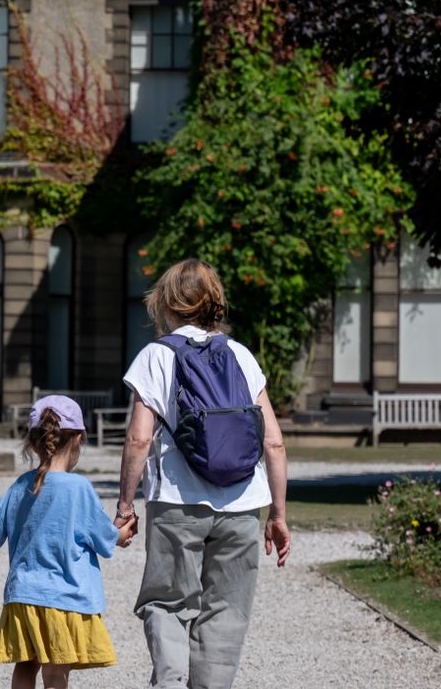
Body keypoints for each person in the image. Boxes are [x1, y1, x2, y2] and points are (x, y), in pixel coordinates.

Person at [113, 258, 290, 689]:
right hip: (244, 504)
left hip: (177, 499)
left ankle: (171, 683)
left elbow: (138, 439)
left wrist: (124, 505)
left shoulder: (157, 355)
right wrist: (279, 516)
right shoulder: (241, 355)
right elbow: (274, 442)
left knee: (167, 602)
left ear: (167, 304)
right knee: (227, 610)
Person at [0, 395, 134, 689]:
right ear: (79, 438)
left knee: (26, 666)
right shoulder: (78, 487)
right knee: (55, 673)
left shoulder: (20, 485)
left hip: (23, 596)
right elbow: (105, 538)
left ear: (33, 442)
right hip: (63, 598)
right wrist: (122, 533)